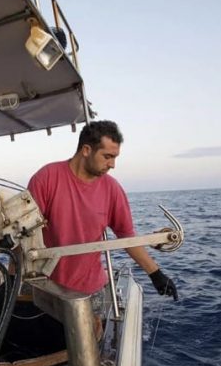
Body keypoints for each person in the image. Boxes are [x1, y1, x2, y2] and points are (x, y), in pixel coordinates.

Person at [27, 120, 178, 317]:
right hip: (48, 288)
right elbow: (24, 231)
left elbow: (127, 236)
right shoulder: (46, 178)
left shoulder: (112, 189)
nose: (112, 165)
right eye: (107, 156)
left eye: (115, 158)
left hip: (91, 290)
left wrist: (155, 274)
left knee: (93, 344)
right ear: (86, 150)